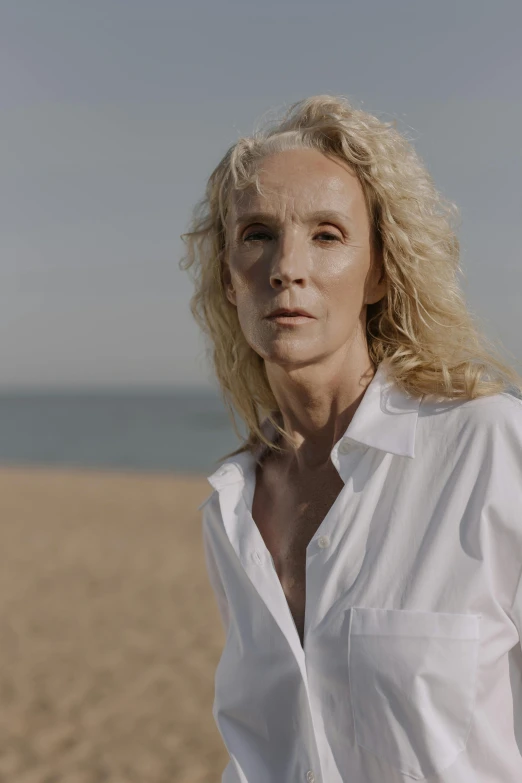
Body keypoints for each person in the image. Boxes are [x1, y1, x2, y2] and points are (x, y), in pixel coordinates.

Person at [179, 94, 522, 783]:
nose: (286, 266)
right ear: (227, 276)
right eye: (257, 234)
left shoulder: (492, 449)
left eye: (327, 234)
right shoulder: (232, 506)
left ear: (379, 271)